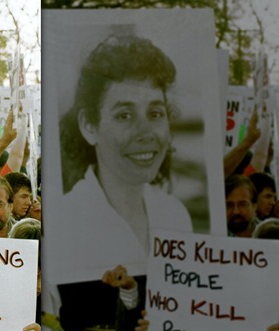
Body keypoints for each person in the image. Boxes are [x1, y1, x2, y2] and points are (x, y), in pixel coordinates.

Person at [56, 33, 192, 276]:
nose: (146, 133)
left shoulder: (175, 215)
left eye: (155, 114)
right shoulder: (63, 225)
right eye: (124, 115)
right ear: (89, 126)